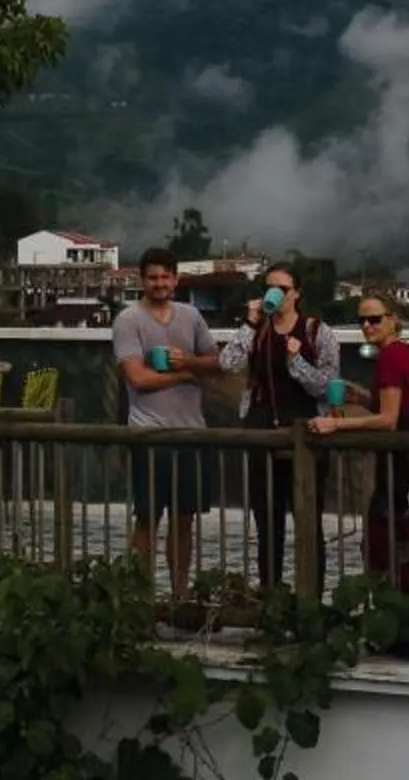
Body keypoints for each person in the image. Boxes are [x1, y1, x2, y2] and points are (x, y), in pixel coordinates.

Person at [111, 246, 224, 599]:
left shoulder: (190, 316)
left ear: (175, 279)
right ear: (141, 280)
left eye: (165, 277)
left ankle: (180, 593)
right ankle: (137, 594)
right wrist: (186, 375)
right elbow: (138, 379)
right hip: (149, 432)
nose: (159, 283)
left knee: (184, 518)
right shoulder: (128, 321)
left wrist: (188, 361)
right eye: (152, 277)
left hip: (191, 431)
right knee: (147, 517)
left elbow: (218, 362)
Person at [227, 261, 343, 595]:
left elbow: (326, 385)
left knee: (308, 521)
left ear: (297, 294)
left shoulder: (317, 331)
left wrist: (297, 362)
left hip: (305, 434)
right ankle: (271, 596)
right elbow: (227, 364)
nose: (274, 294)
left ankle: (311, 598)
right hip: (263, 431)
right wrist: (249, 323)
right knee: (266, 521)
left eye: (282, 288)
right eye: (269, 287)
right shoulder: (258, 330)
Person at [308, 293, 409, 607]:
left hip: (394, 462)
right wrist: (361, 397)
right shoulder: (406, 353)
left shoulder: (389, 357)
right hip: (406, 459)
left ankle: (390, 612)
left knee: (384, 542)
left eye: (375, 319)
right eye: (362, 319)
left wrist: (335, 426)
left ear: (393, 319)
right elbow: (397, 408)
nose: (367, 326)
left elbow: (388, 420)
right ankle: (405, 611)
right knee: (399, 540)